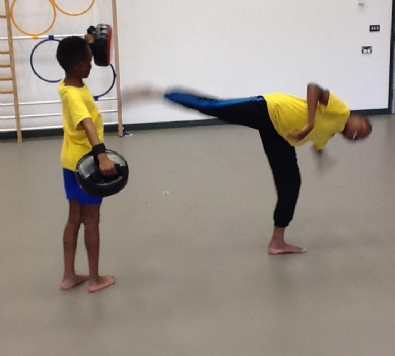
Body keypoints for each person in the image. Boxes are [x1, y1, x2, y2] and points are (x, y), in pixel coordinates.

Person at [127, 82, 372, 254]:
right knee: (215, 107)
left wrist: (322, 157)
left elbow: (318, 143)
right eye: (361, 129)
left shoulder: (330, 132)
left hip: (279, 136)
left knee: (291, 185)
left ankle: (277, 242)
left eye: (360, 138)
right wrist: (308, 123)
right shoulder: (341, 111)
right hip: (269, 109)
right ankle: (157, 93)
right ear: (357, 118)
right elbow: (314, 88)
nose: (357, 135)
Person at [56, 36, 117, 292]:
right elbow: (88, 124)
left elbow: (74, 51)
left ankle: (69, 276)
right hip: (86, 166)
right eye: (89, 62)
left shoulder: (67, 84)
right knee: (91, 220)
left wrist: (88, 41)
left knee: (74, 218)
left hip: (69, 162)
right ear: (78, 65)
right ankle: (94, 279)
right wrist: (101, 155)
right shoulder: (75, 97)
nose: (91, 65)